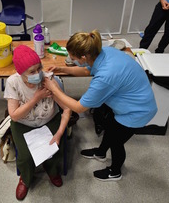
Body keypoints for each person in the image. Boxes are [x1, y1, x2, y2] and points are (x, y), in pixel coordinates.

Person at [44, 30, 158, 182]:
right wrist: (62, 69)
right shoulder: (103, 52)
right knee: (111, 127)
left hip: (137, 111)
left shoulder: (105, 77)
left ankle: (115, 171)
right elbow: (86, 69)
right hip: (129, 101)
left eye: (72, 57)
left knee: (117, 142)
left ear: (83, 57)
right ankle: (101, 152)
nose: (70, 59)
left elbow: (79, 107)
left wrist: (54, 90)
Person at [4, 45, 71, 200]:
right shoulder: (13, 83)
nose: (38, 74)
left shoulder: (48, 80)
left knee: (54, 149)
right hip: (23, 123)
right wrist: (36, 98)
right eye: (32, 72)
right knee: (26, 156)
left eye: (39, 68)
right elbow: (14, 116)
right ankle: (25, 179)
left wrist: (60, 133)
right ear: (21, 73)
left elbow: (67, 109)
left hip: (49, 119)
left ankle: (52, 171)